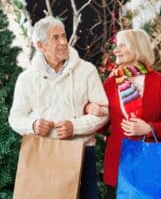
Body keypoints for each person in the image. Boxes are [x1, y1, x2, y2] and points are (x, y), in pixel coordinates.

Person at [8, 16, 108, 199]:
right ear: (41, 45)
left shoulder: (87, 71)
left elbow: (103, 113)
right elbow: (15, 117)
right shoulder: (27, 78)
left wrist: (75, 127)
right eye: (55, 38)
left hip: (82, 152)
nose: (63, 42)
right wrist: (33, 124)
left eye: (64, 36)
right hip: (41, 153)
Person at [86, 28, 161, 198]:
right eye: (117, 45)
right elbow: (101, 127)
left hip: (151, 165)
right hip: (118, 166)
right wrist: (92, 110)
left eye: (122, 45)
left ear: (137, 47)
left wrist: (148, 128)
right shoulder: (110, 84)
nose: (116, 50)